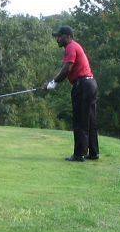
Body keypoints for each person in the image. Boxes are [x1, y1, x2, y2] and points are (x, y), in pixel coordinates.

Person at [42, 25, 98, 161]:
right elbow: (67, 69)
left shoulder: (71, 47)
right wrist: (53, 82)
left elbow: (67, 68)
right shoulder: (74, 46)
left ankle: (79, 154)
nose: (57, 39)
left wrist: (52, 83)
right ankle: (93, 153)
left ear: (68, 36)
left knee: (80, 121)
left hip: (83, 85)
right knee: (90, 120)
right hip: (90, 84)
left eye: (59, 36)